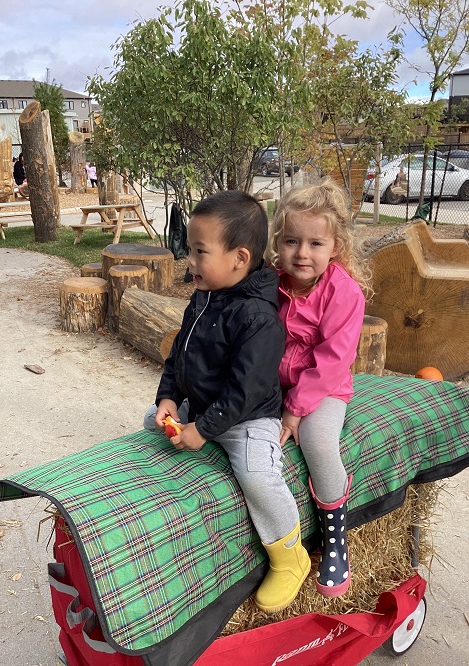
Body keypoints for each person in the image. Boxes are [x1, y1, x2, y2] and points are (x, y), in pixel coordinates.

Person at [144, 190, 310, 613]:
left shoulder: (258, 320)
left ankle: (290, 556)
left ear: (239, 258)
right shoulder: (205, 296)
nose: (190, 261)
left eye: (200, 252)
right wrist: (168, 396)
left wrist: (203, 429)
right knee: (151, 419)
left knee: (256, 474)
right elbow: (180, 353)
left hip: (247, 418)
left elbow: (246, 391)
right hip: (203, 405)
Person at [266, 178, 371, 597]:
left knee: (319, 442)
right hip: (273, 383)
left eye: (315, 243)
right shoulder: (271, 283)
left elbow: (333, 360)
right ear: (278, 241)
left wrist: (294, 410)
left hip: (325, 389)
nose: (302, 253)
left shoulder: (343, 293)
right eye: (291, 241)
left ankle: (334, 540)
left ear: (336, 247)